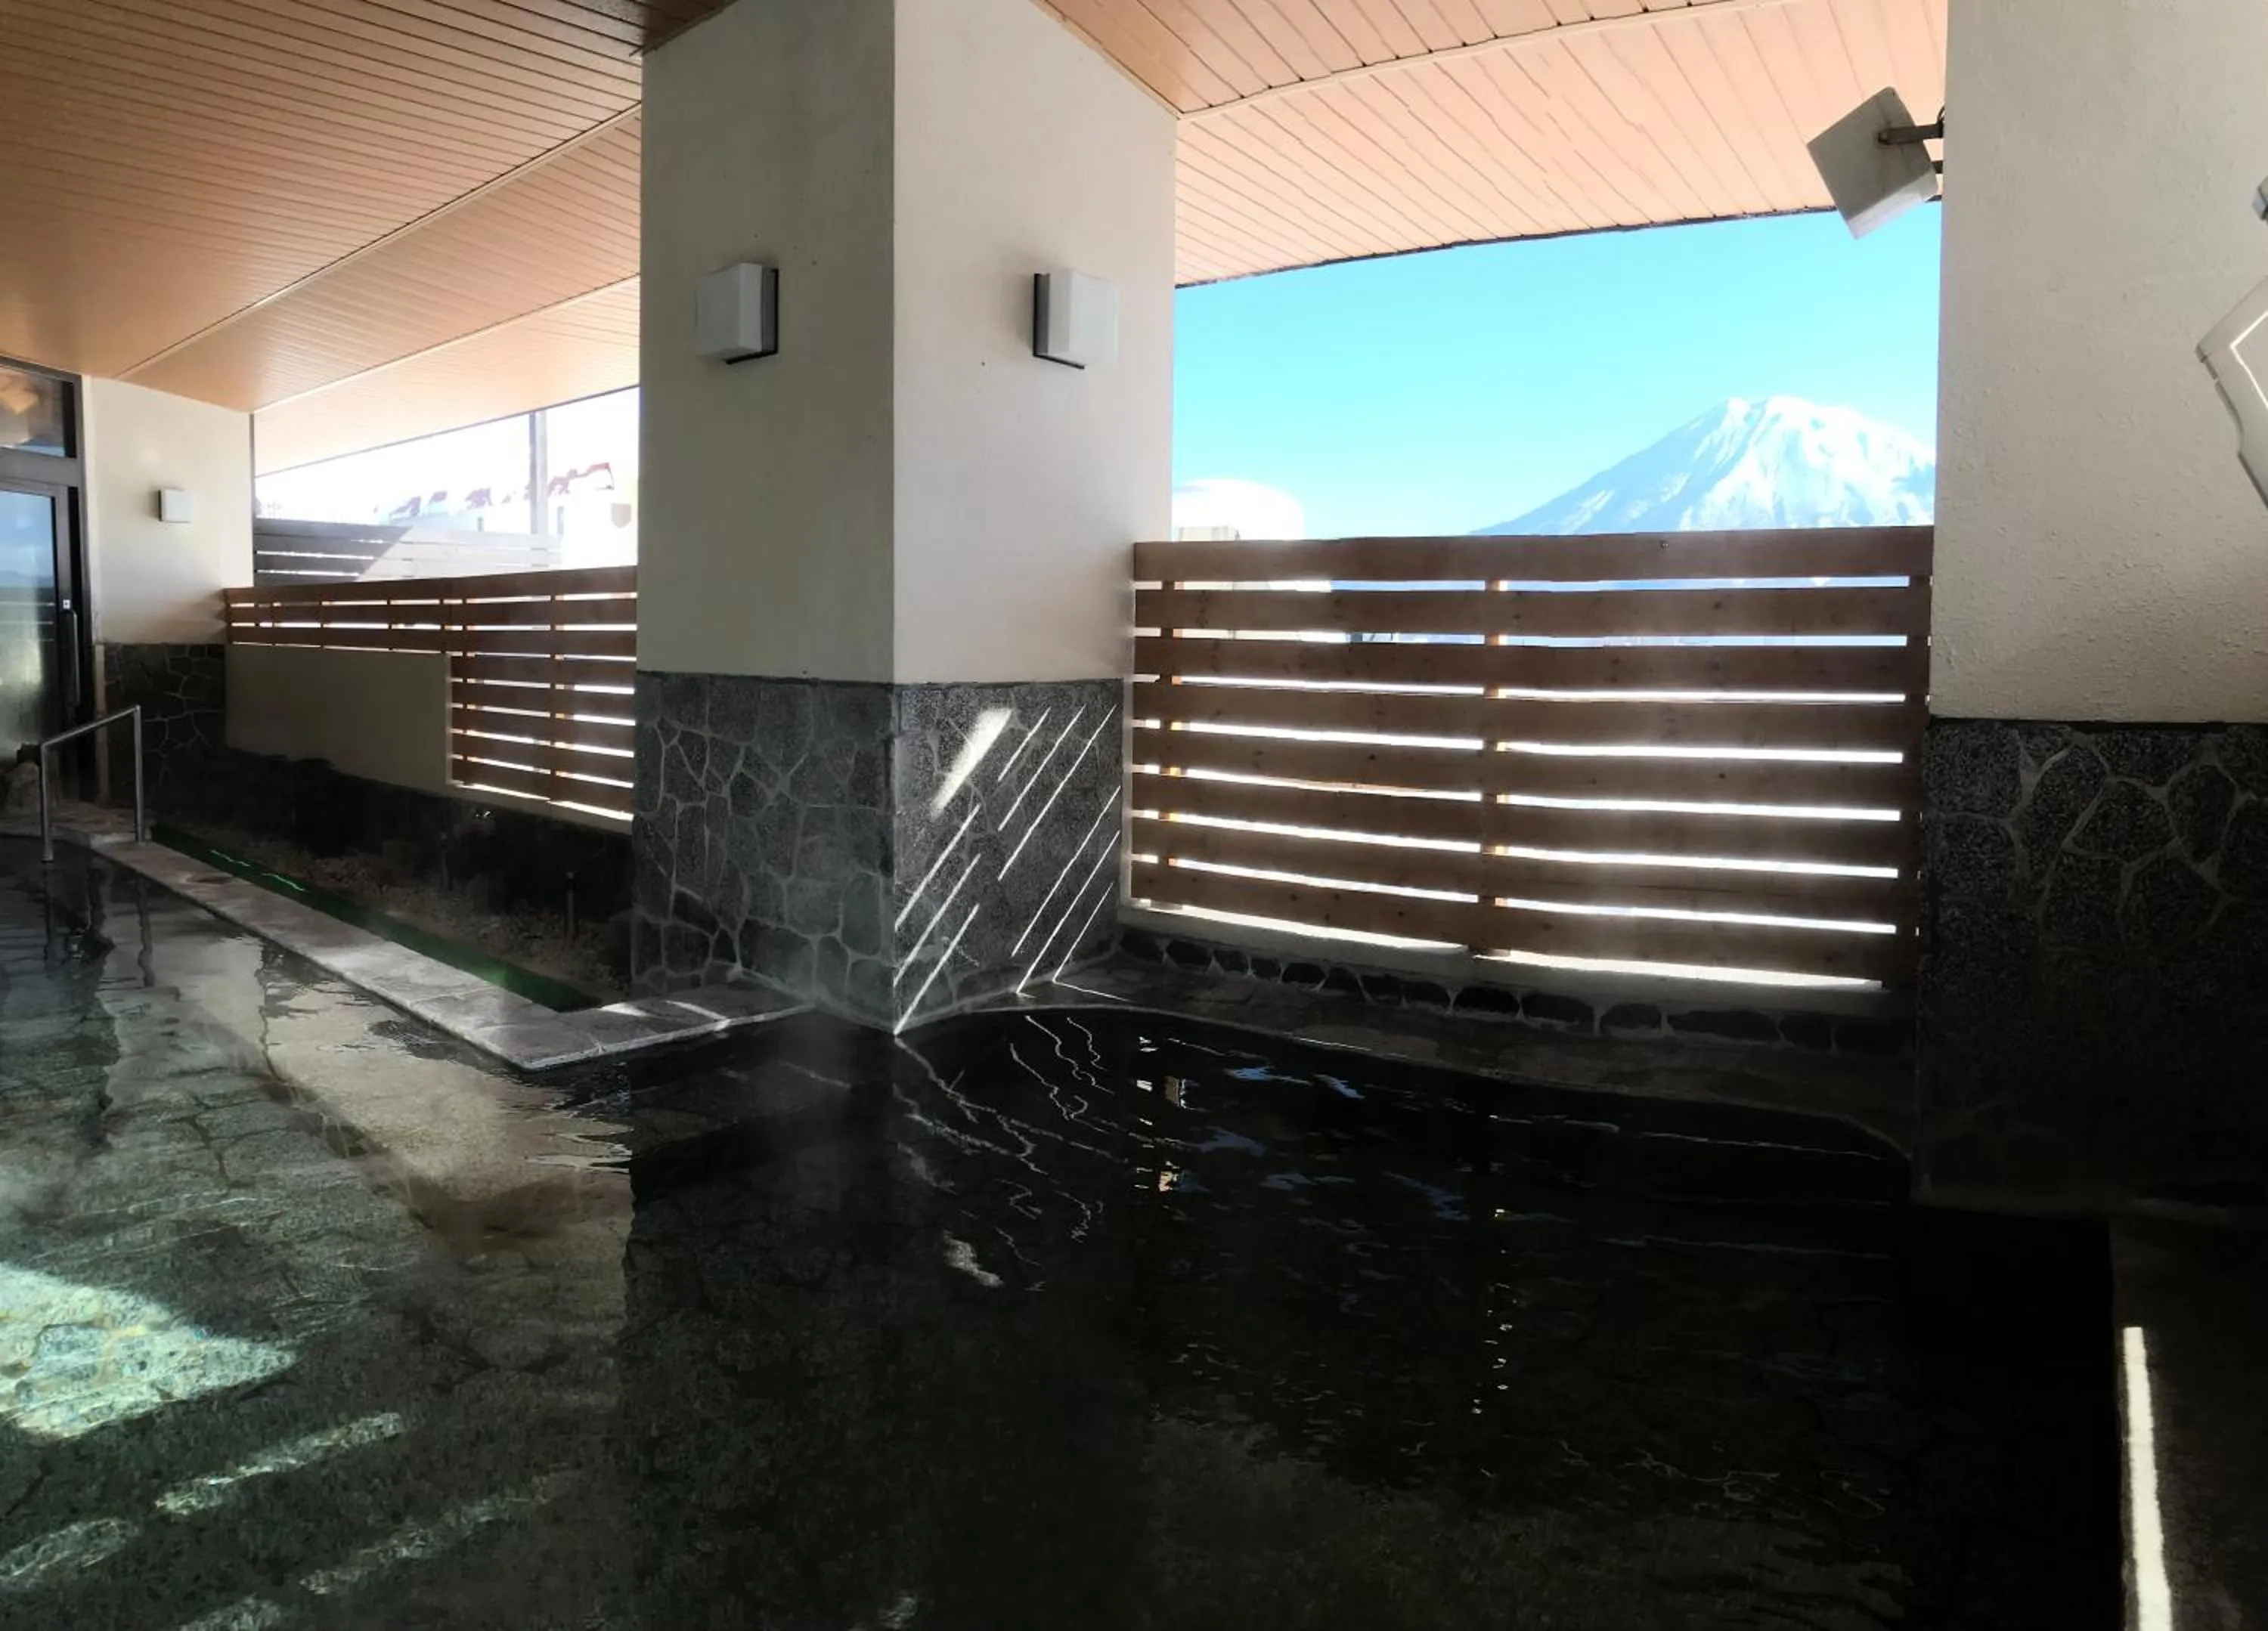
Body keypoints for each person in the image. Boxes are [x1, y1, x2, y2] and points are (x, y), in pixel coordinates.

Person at [1, 745, 39, 817]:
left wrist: (3, 774)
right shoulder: (33, 767)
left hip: (23, 809)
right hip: (32, 808)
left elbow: (10, 778)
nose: (18, 755)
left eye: (20, 753)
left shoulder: (26, 767)